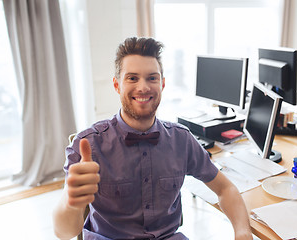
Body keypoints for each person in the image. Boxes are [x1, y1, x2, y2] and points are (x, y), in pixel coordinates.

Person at [53, 37, 253, 240]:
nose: (143, 87)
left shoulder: (181, 140)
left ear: (162, 84)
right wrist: (72, 201)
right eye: (132, 78)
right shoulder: (89, 145)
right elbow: (64, 233)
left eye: (152, 78)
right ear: (117, 85)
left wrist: (243, 231)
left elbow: (225, 188)